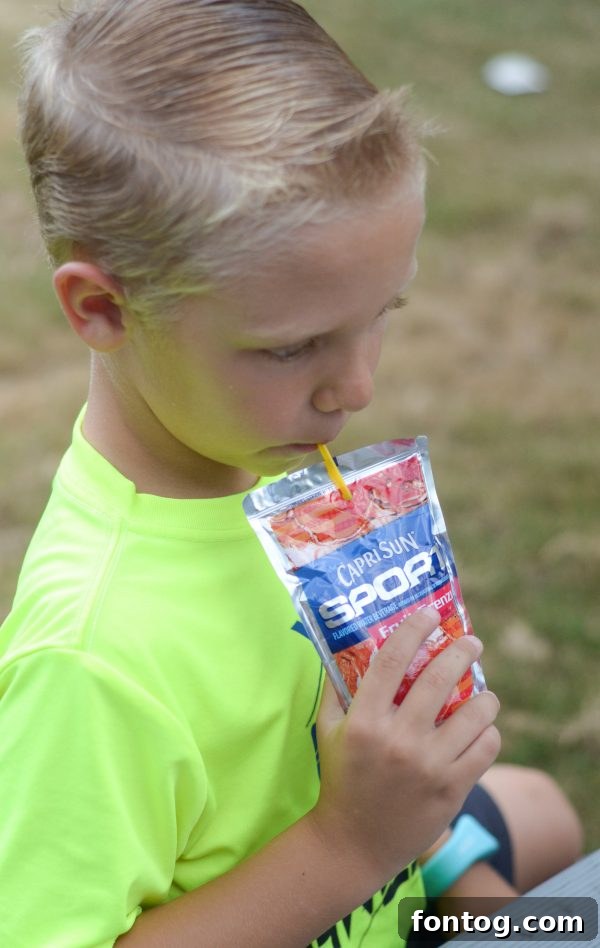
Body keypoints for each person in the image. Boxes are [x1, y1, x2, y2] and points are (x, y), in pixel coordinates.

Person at [0, 1, 583, 946]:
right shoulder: (88, 659)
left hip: (387, 877)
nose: (355, 388)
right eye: (293, 348)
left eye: (382, 311)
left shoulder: (262, 479)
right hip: (347, 873)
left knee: (543, 812)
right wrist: (351, 845)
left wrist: (447, 859)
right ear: (102, 308)